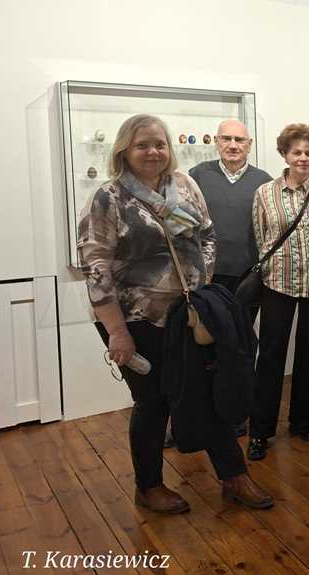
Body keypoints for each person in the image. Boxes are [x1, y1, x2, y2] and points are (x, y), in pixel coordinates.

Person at [78, 113, 272, 513]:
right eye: (142, 145)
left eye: (159, 144)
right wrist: (117, 332)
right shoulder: (109, 197)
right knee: (153, 403)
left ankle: (234, 476)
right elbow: (95, 267)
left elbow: (207, 235)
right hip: (136, 319)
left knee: (210, 391)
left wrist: (201, 284)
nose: (153, 152)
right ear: (124, 150)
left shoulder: (184, 185)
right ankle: (148, 486)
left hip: (188, 314)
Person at [245, 124, 309, 461]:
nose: (303, 158)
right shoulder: (265, 193)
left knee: (308, 354)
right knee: (271, 357)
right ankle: (260, 431)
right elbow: (261, 238)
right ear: (285, 154)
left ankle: (301, 420)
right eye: (296, 152)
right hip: (278, 285)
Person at [188, 119, 272, 438]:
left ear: (249, 144)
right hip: (207, 278)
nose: (233, 145)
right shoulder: (197, 176)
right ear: (216, 141)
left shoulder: (263, 182)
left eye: (239, 139)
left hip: (248, 278)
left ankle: (237, 411)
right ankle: (202, 412)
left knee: (241, 345)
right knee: (203, 345)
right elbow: (182, 219)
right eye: (226, 138)